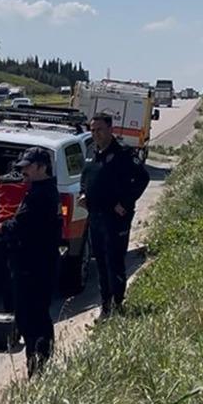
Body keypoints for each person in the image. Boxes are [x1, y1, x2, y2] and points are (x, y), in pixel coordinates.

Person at [0, 147, 61, 378]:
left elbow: (23, 225)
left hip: (34, 266)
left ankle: (38, 369)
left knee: (32, 318)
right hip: (34, 263)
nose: (23, 171)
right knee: (34, 316)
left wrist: (1, 228)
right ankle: (38, 364)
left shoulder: (41, 194)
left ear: (41, 167)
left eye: (28, 167)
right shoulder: (38, 190)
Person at [81, 112, 150, 319]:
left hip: (115, 218)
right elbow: (86, 178)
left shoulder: (124, 154)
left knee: (115, 262)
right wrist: (84, 194)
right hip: (95, 216)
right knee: (101, 263)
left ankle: (118, 304)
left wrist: (126, 203)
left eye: (100, 129)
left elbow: (142, 178)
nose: (96, 134)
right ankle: (106, 306)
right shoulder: (92, 152)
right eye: (93, 130)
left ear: (111, 129)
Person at [0, 168, 30, 312]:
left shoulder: (0, 179)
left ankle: (8, 307)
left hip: (0, 227)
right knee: (18, 271)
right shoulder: (28, 182)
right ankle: (17, 308)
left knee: (4, 271)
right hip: (17, 228)